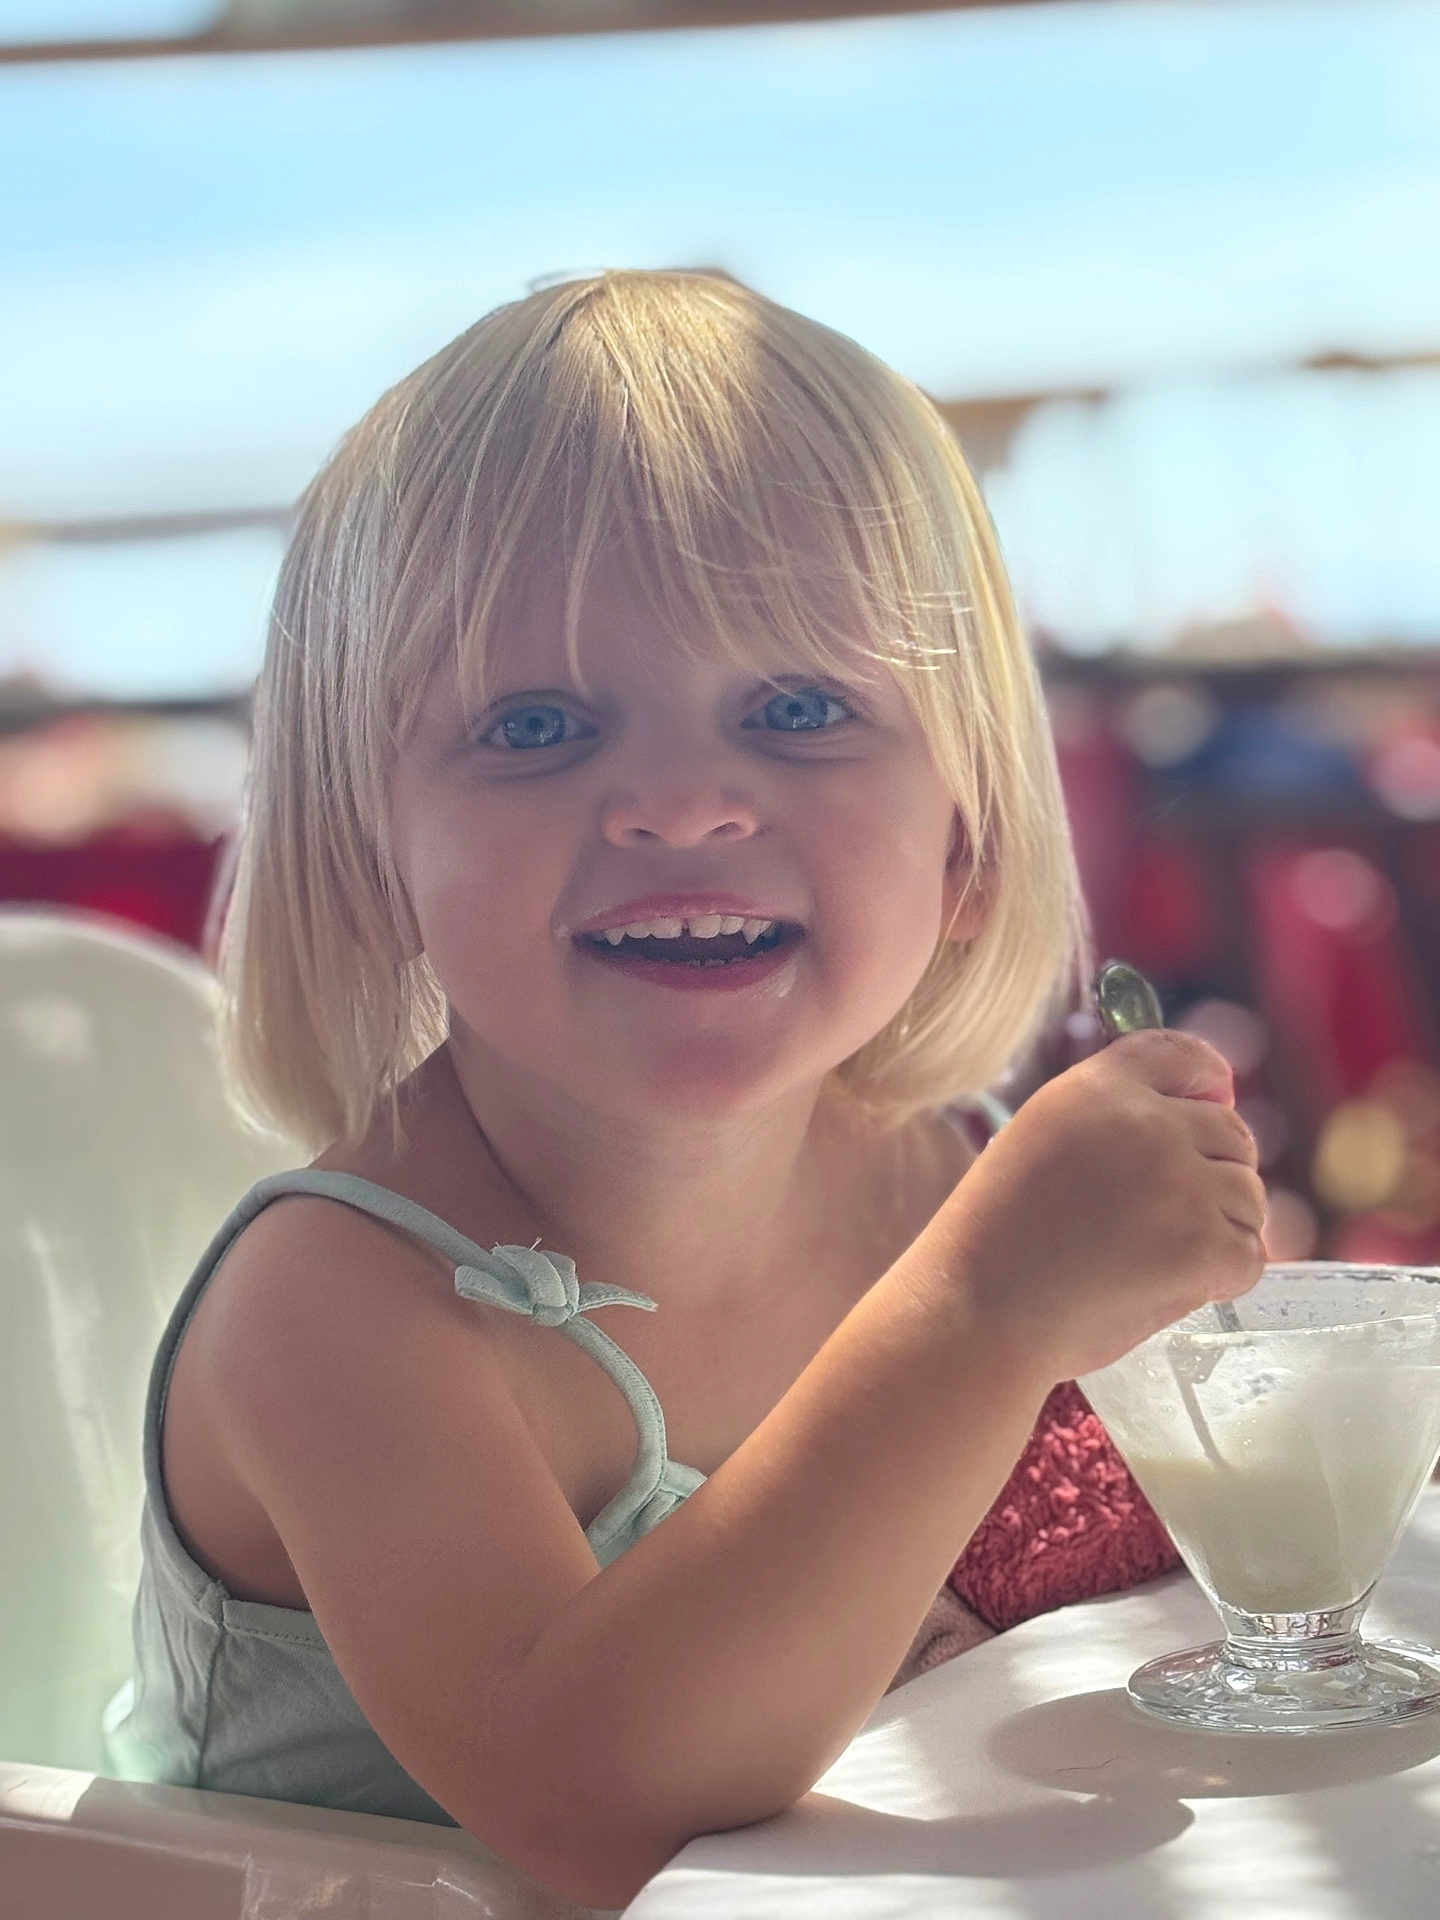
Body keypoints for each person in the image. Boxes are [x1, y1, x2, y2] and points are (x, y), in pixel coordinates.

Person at [106, 269, 1264, 1913]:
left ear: (970, 827)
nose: (677, 802)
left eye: (797, 708)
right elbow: (596, 1805)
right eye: (538, 723)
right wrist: (989, 1311)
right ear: (374, 845)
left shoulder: (947, 1177)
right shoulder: (345, 1307)